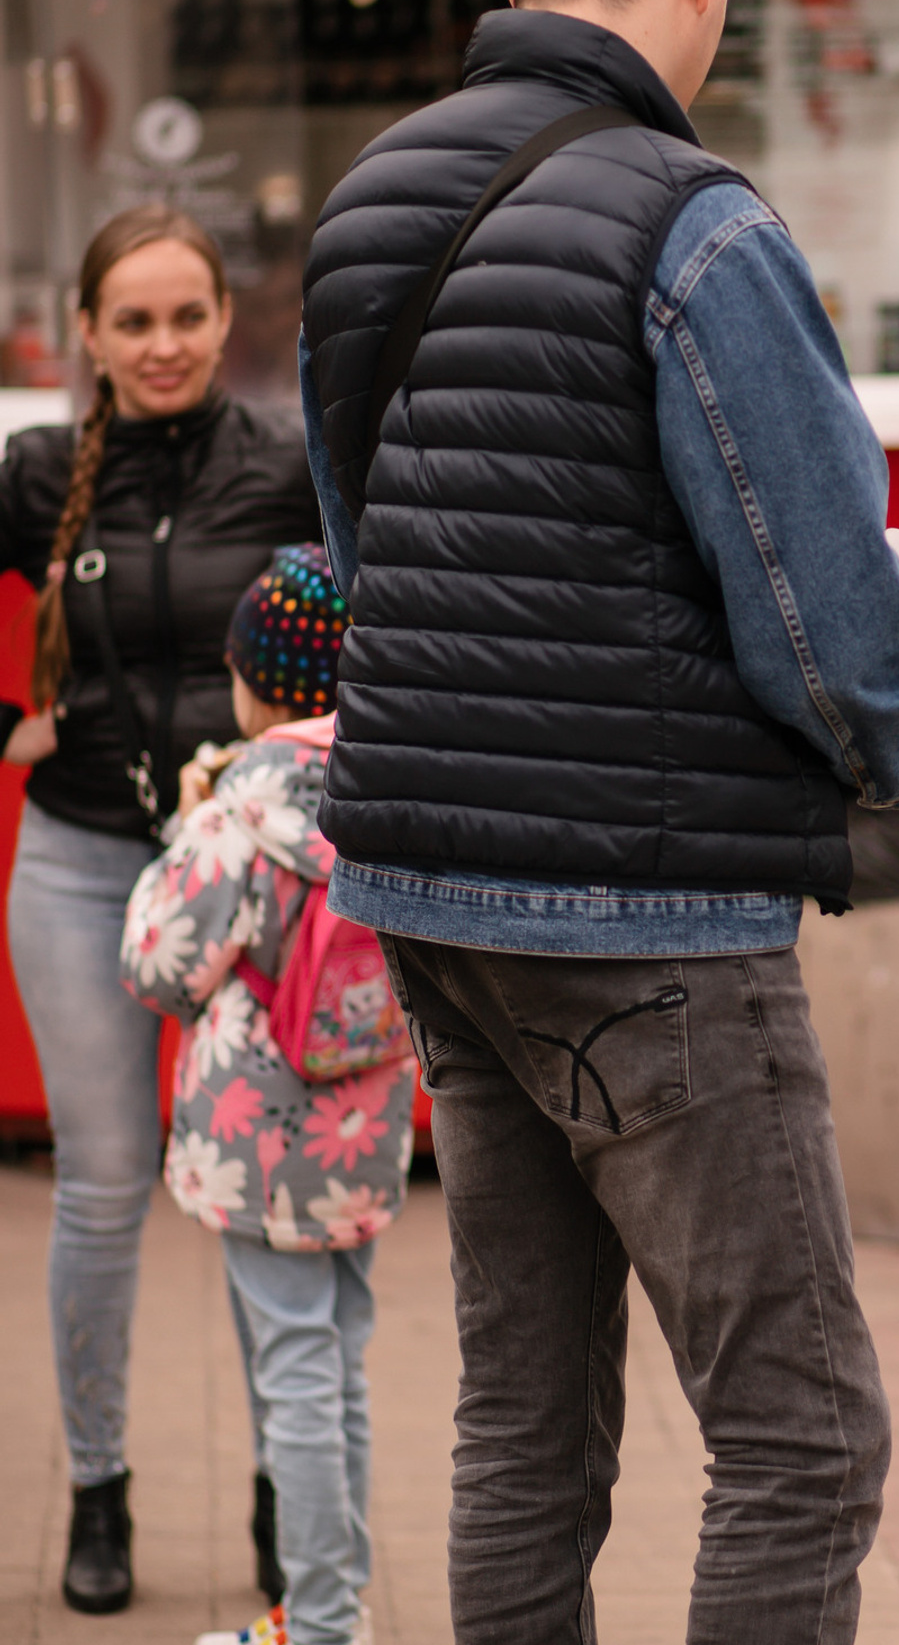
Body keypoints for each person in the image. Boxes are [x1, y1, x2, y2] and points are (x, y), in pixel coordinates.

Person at [297, 0, 899, 1645]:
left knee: (521, 1416)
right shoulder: (697, 223)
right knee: (801, 1436)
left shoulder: (367, 205)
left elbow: (370, 553)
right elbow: (828, 624)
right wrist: (888, 748)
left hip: (432, 883)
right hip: (652, 914)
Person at [0, 206, 321, 1614]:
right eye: (132, 321)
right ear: (88, 334)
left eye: (187, 316)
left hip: (248, 883)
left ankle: (281, 1505)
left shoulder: (289, 466)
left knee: (260, 1202)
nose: (165, 345)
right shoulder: (34, 474)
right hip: (77, 865)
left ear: (222, 322)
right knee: (105, 1190)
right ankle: (99, 1491)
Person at [121, 544, 410, 1645]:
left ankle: (324, 1624)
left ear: (257, 681)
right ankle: (335, 1605)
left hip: (258, 1135)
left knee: (293, 1371)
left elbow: (158, 965)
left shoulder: (239, 806)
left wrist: (183, 823)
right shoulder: (391, 775)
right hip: (365, 1119)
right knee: (336, 1363)